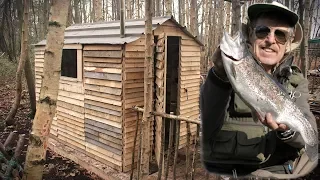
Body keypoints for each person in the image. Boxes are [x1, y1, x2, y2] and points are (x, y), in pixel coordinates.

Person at [200, 2, 318, 179]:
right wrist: (218, 76)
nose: (270, 40)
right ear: (251, 36)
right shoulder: (226, 75)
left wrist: (286, 130)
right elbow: (208, 118)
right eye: (263, 31)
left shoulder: (296, 82)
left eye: (280, 34)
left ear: (287, 44)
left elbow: (307, 134)